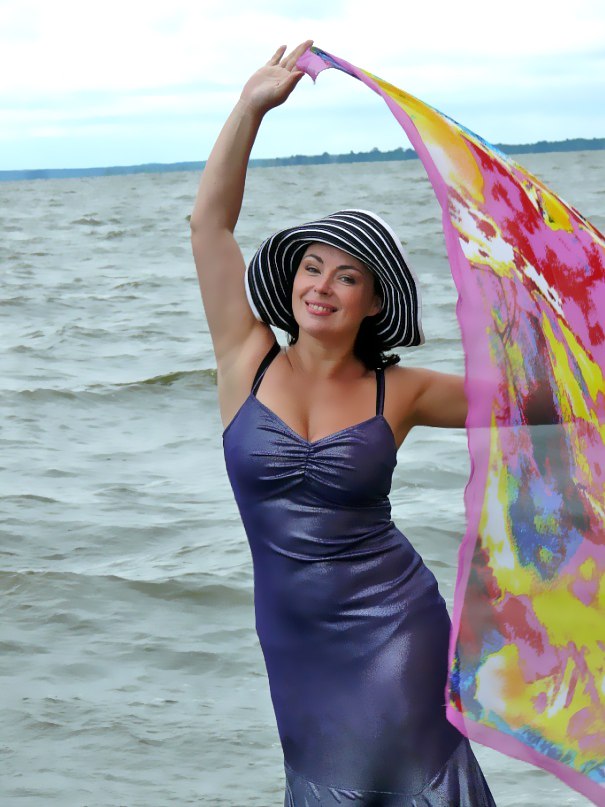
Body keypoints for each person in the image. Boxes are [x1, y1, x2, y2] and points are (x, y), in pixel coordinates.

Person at [190, 41, 496, 806]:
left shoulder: (402, 390)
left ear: (373, 300)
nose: (321, 285)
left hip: (396, 627)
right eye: (311, 266)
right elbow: (208, 227)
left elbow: (538, 403)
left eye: (347, 274)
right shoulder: (245, 359)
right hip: (294, 644)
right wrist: (249, 109)